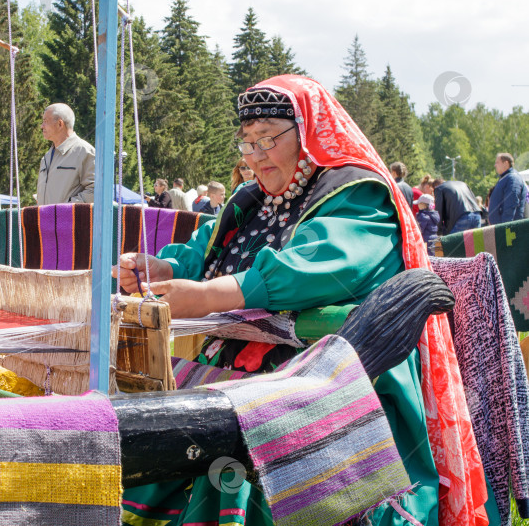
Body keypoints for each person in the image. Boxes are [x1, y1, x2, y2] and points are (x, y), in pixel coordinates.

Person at [115, 76, 489, 526]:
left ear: (307, 130)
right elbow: (204, 253)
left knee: (244, 444)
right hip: (243, 368)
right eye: (247, 143)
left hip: (339, 371)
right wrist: (167, 269)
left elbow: (324, 266)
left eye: (268, 138)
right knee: (161, 425)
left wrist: (210, 296)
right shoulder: (250, 200)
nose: (255, 155)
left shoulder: (357, 193)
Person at [37, 103, 95, 205]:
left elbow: (95, 191)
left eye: (45, 121)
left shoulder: (85, 152)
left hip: (71, 220)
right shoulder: (46, 157)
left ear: (60, 124)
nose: (42, 126)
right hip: (45, 220)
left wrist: (65, 210)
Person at [488, 152, 527, 224]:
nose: (495, 165)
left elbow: (511, 202)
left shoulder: (513, 178)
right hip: (501, 227)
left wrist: (505, 226)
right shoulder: (506, 178)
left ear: (506, 163)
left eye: (497, 162)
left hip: (509, 229)